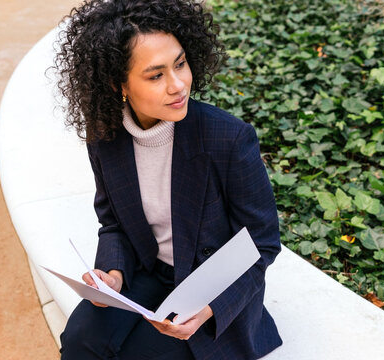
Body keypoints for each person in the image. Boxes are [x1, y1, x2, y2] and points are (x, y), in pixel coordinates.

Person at [54, 1, 282, 359]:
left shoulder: (228, 139)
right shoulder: (105, 138)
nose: (178, 85)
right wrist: (113, 276)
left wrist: (208, 308)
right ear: (119, 85)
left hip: (206, 289)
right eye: (155, 75)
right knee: (80, 341)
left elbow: (262, 243)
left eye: (180, 64)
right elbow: (113, 222)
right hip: (145, 273)